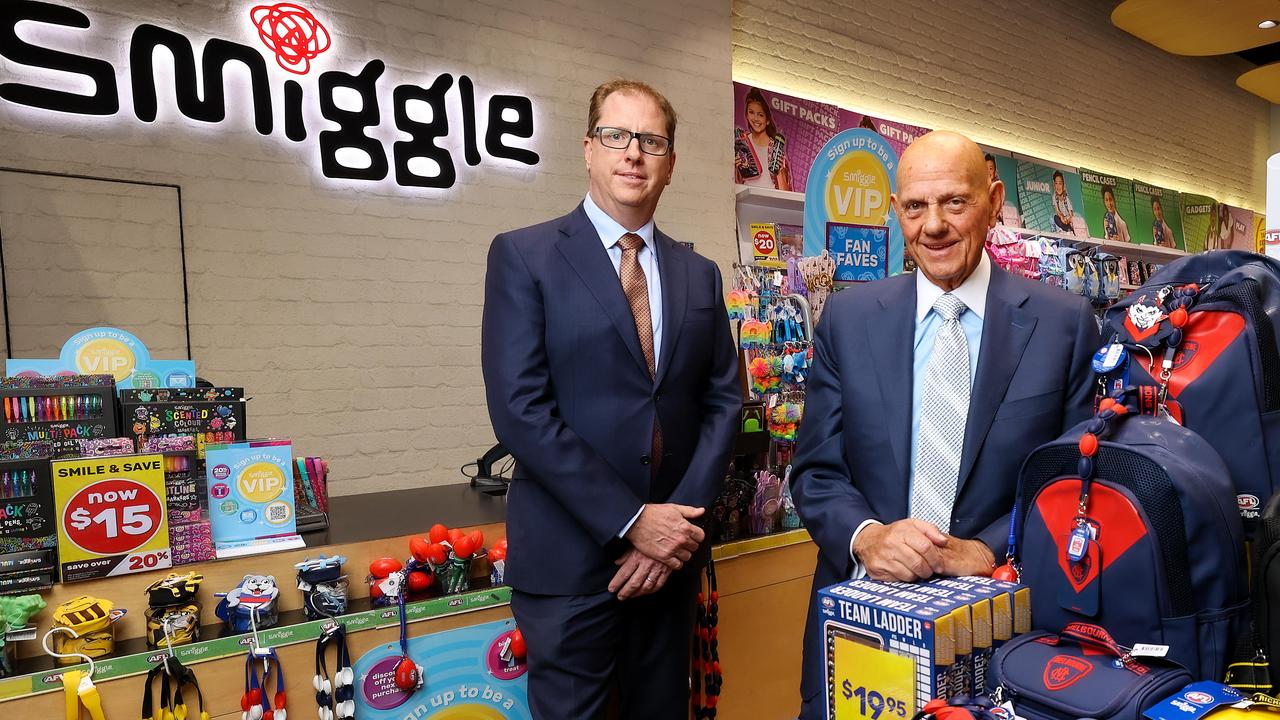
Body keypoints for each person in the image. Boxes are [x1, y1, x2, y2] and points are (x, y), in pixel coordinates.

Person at [789, 130, 1100, 720]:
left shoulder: (1062, 324)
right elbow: (816, 471)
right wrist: (868, 538)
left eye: (955, 202)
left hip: (1000, 640)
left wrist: (987, 549)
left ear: (993, 199)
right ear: (895, 211)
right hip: (860, 629)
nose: (933, 225)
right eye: (915, 206)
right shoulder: (849, 321)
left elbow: (1074, 484)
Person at [481, 79, 741, 719]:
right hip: (570, 566)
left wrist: (675, 529)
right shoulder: (526, 256)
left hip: (670, 563)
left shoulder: (697, 272)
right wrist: (632, 522)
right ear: (589, 149)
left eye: (652, 140)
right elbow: (521, 411)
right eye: (616, 136)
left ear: (671, 164)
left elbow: (723, 402)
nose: (634, 153)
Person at [735, 87, 791, 190]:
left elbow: (786, 191)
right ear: (746, 115)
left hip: (771, 199)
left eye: (760, 115)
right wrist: (735, 167)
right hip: (746, 197)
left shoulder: (776, 147)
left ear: (767, 120)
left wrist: (780, 172)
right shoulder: (741, 142)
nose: (755, 118)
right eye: (751, 112)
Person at [984, 153, 1004, 225]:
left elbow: (994, 212)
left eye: (991, 168)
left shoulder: (997, 186)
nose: (988, 171)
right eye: (985, 168)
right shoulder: (979, 188)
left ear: (995, 170)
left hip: (995, 225)